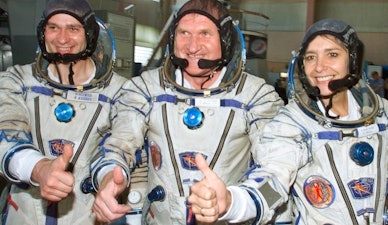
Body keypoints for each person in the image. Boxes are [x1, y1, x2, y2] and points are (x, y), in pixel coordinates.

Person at [187, 18, 388, 225]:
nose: (319, 67)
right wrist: (233, 203)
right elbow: (273, 184)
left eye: (332, 54)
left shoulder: (380, 115)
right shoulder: (292, 125)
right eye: (310, 58)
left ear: (352, 60)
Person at [90, 0, 286, 224]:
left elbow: (277, 172)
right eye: (184, 33)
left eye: (205, 33)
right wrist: (109, 177)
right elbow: (117, 144)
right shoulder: (145, 88)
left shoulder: (257, 96)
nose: (192, 46)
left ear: (226, 40)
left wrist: (234, 203)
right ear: (173, 39)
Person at [0, 0, 134, 224]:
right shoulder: (15, 81)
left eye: (73, 29)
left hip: (86, 214)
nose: (62, 39)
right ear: (43, 33)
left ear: (90, 34)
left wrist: (109, 179)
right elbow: (7, 134)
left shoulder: (121, 92)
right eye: (53, 28)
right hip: (23, 214)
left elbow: (118, 146)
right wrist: (39, 169)